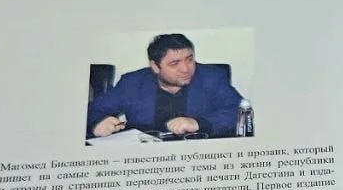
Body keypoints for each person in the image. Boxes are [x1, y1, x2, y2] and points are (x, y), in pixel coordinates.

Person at [87, 33, 243, 139]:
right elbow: (92, 110)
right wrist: (97, 123)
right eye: (175, 63)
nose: (186, 69)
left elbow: (239, 112)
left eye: (189, 59)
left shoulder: (211, 77)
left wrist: (198, 123)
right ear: (155, 67)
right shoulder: (132, 83)